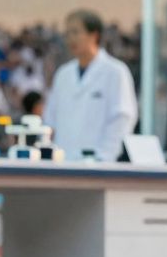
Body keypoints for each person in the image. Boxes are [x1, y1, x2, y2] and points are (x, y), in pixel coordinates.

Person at [46, 10, 137, 161]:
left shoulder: (115, 72)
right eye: (67, 33)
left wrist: (104, 156)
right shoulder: (63, 74)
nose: (70, 39)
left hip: (100, 164)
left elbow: (122, 119)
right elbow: (51, 119)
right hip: (63, 162)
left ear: (94, 35)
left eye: (76, 32)